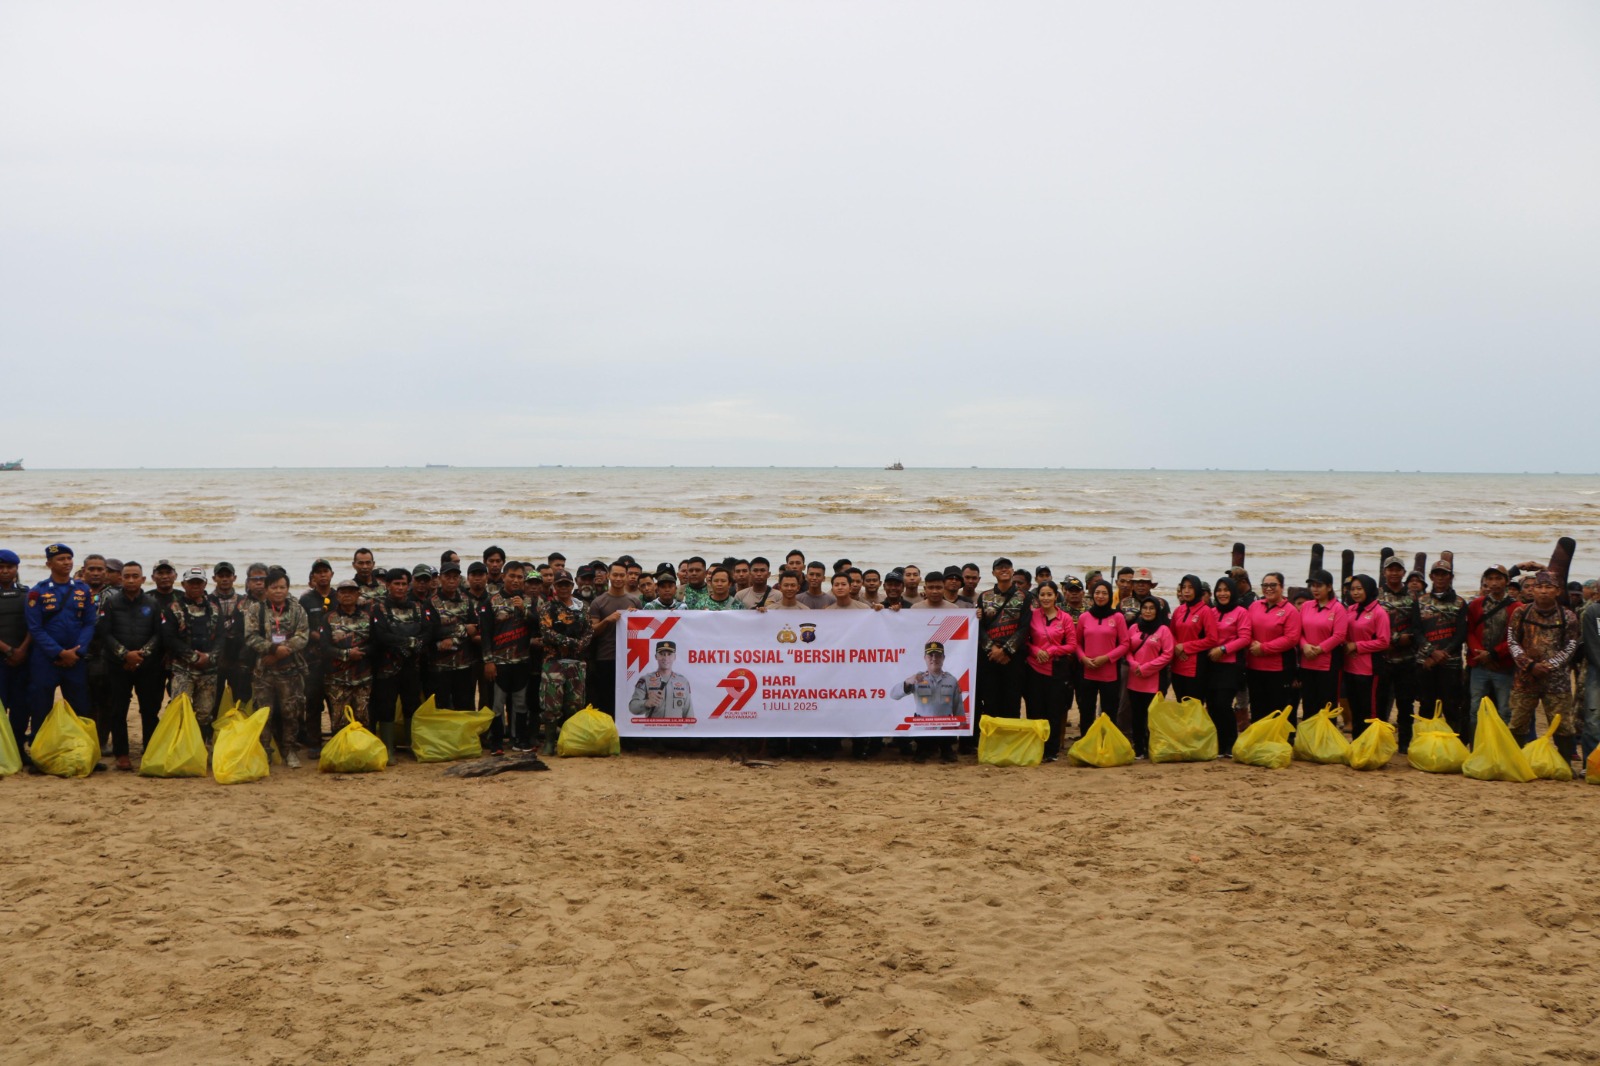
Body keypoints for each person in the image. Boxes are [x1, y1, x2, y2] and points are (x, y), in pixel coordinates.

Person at [24, 544, 97, 750]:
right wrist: (58, 652)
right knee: (41, 708)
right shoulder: (37, 592)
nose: (66, 562)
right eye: (60, 559)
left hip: (75, 659)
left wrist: (77, 652)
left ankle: (84, 752)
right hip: (45, 660)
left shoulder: (83, 590)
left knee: (80, 707)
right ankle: (39, 752)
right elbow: (35, 628)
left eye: (69, 558)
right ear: (49, 564)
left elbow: (89, 623)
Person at [97, 561, 167, 770]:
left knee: (149, 710)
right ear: (121, 578)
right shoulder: (110, 603)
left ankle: (150, 750)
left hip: (147, 666)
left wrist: (141, 655)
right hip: (118, 665)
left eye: (135, 576)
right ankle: (122, 754)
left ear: (143, 579)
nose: (130, 580)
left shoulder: (152, 603)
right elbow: (104, 633)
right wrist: (125, 655)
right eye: (126, 576)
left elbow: (159, 634)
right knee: (118, 710)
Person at [1507, 571, 1581, 765]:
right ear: (1533, 589)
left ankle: (1564, 765)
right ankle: (1515, 763)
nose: (1543, 591)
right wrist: (1529, 665)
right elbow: (1512, 641)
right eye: (1539, 587)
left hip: (1556, 681)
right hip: (1525, 679)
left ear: (1557, 591)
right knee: (1517, 723)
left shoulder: (1568, 617)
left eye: (1549, 587)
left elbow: (1571, 646)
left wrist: (1549, 666)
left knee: (1562, 725)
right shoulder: (1520, 613)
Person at [243, 567, 311, 768]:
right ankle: (265, 750)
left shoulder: (297, 609)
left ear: (288, 588)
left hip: (290, 669)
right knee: (264, 712)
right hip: (264, 670)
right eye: (274, 587)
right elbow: (250, 636)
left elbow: (303, 635)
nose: (279, 591)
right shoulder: (256, 609)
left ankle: (290, 750)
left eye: (282, 587)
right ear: (266, 589)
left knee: (291, 712)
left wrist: (285, 650)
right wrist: (271, 649)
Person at [371, 567, 432, 750]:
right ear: (388, 585)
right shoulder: (378, 608)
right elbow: (381, 634)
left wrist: (415, 644)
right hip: (387, 668)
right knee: (386, 707)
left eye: (403, 584)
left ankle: (412, 745)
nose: (400, 587)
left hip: (411, 666)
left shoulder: (418, 607)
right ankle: (388, 749)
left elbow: (428, 631)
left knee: (411, 705)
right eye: (396, 584)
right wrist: (407, 642)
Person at [166, 567, 223, 741]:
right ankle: (178, 746)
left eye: (199, 582)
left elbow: (221, 637)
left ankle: (200, 748)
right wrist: (193, 657)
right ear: (183, 584)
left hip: (208, 670)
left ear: (205, 583)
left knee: (205, 713)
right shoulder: (174, 608)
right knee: (179, 710)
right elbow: (169, 638)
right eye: (191, 582)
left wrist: (209, 657)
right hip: (183, 670)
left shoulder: (214, 608)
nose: (195, 586)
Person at [1415, 560, 1470, 739]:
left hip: (1451, 662)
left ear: (1451, 577)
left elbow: (1462, 633)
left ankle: (1455, 743)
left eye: (1444, 574)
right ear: (1431, 577)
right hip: (1426, 663)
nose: (1440, 577)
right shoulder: (1421, 601)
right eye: (1437, 574)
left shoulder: (1460, 603)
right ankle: (1425, 742)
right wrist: (1431, 652)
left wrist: (1444, 653)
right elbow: (1416, 630)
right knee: (1426, 705)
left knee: (1452, 705)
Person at [537, 572, 591, 751]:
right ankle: (550, 742)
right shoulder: (548, 608)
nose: (564, 588)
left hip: (577, 662)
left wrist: (583, 643)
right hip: (554, 662)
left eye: (567, 584)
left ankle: (570, 740)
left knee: (575, 704)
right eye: (560, 585)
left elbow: (589, 630)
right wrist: (572, 642)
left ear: (572, 586)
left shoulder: (582, 607)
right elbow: (547, 632)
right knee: (551, 704)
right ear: (554, 587)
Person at [1374, 556, 1422, 750]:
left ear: (1403, 573)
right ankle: (1380, 741)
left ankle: (1403, 745)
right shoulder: (1376, 596)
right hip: (1383, 658)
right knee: (1380, 703)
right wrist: (1393, 639)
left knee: (1405, 704)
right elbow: (1371, 624)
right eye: (1390, 569)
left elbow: (1417, 626)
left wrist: (1407, 639)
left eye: (1398, 570)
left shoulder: (1413, 597)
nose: (1394, 573)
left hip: (1406, 660)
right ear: (1384, 572)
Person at [1025, 580, 1076, 762]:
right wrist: (1035, 650)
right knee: (1035, 710)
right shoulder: (1031, 616)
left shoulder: (1066, 618)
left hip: (1057, 670)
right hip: (1034, 668)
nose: (1045, 598)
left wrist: (1052, 651)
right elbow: (1025, 640)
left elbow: (1072, 645)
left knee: (1054, 711)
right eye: (1042, 594)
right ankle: (1035, 746)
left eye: (1049, 594)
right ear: (1037, 597)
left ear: (1056, 596)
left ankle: (1051, 751)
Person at [976, 558, 1029, 728]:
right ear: (993, 573)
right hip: (990, 657)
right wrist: (992, 649)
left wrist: (1006, 651)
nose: (1004, 569)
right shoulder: (984, 597)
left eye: (1007, 567)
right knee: (990, 701)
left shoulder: (1025, 597)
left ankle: (1011, 745)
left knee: (1012, 702)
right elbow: (979, 626)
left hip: (1014, 658)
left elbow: (1025, 627)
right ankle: (992, 744)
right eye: (999, 567)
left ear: (1013, 571)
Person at [889, 640, 961, 763]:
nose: (934, 658)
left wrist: (962, 727)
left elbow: (958, 707)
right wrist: (907, 682)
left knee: (949, 757)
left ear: (943, 658)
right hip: (923, 730)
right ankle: (924, 750)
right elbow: (893, 695)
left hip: (945, 730)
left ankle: (946, 750)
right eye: (930, 655)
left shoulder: (951, 680)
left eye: (938, 655)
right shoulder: (917, 678)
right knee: (921, 756)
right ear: (925, 658)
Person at [1204, 576, 1252, 755]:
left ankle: (1230, 743)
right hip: (1211, 665)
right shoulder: (1211, 611)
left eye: (1226, 590)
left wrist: (1223, 649)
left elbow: (1245, 638)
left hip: (1231, 665)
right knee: (1212, 705)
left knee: (1223, 704)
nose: (1222, 594)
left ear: (1233, 592)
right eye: (1219, 590)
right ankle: (1218, 742)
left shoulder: (1241, 612)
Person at [1466, 565, 1517, 730]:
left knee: (1504, 710)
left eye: (1498, 578)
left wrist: (1493, 654)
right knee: (1475, 709)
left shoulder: (1517, 608)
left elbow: (1515, 637)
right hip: (1479, 665)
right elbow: (1469, 632)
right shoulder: (1476, 604)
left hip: (1503, 667)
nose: (1494, 583)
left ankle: (1501, 747)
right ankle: (1475, 748)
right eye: (1490, 579)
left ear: (1507, 581)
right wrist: (1480, 654)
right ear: (1485, 581)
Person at [589, 561, 643, 716]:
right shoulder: (598, 602)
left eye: (622, 575)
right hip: (606, 657)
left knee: (629, 696)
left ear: (626, 577)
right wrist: (607, 620)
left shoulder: (635, 602)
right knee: (607, 698)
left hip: (630, 659)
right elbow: (592, 632)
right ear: (608, 576)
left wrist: (635, 617)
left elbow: (642, 631)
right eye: (615, 575)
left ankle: (627, 736)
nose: (618, 578)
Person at [1245, 572, 1301, 722]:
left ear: (1282, 587)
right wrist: (1251, 644)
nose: (1268, 589)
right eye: (1265, 585)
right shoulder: (1255, 606)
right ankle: (1259, 739)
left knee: (1279, 707)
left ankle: (1281, 740)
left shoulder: (1290, 610)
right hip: (1254, 666)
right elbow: (1245, 630)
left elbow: (1291, 639)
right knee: (1257, 706)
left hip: (1279, 669)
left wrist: (1264, 648)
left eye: (1273, 585)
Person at [1075, 580, 1129, 731]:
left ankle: (1107, 744)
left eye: (1104, 593)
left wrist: (1106, 658)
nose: (1100, 596)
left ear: (1110, 595)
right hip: (1087, 672)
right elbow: (1077, 643)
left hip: (1109, 674)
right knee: (1086, 712)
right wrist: (1083, 658)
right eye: (1097, 593)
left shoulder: (1118, 617)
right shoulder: (1084, 617)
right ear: (1092, 595)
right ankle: (1086, 742)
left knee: (1109, 713)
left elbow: (1125, 644)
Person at [1125, 598, 1174, 758]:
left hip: (1154, 679)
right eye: (1144, 608)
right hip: (1135, 678)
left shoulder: (1163, 630)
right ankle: (1139, 748)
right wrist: (1134, 665)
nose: (1147, 611)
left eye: (1151, 608)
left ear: (1157, 611)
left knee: (1152, 716)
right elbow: (1127, 650)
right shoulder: (1133, 628)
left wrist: (1146, 668)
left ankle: (1152, 747)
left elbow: (1168, 654)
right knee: (1137, 715)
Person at [1341, 574, 1391, 732]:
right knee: (1355, 708)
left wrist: (1357, 646)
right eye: (1352, 589)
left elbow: (1384, 641)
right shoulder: (1350, 609)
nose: (1355, 592)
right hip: (1350, 666)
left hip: (1369, 669)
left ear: (1368, 589)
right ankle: (1357, 744)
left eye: (1359, 589)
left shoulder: (1379, 612)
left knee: (1369, 710)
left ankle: (1370, 745)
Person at [1297, 569, 1347, 724]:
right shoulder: (1306, 606)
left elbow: (1339, 635)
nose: (1315, 589)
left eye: (1319, 585)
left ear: (1329, 587)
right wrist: (1305, 646)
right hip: (1307, 662)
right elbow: (1298, 631)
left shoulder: (1338, 608)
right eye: (1313, 585)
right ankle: (1309, 740)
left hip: (1328, 664)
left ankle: (1326, 739)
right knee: (1308, 704)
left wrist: (1319, 649)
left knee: (1327, 705)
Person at [323, 579, 375, 728]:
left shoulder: (368, 617)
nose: (347, 595)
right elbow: (324, 647)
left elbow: (376, 643)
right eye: (343, 592)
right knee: (339, 721)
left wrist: (361, 653)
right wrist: (346, 654)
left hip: (363, 677)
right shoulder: (328, 618)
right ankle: (340, 751)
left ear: (358, 594)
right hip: (337, 680)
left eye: (351, 592)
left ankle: (362, 750)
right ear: (337, 596)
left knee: (362, 719)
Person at [429, 561, 479, 712]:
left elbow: (475, 628)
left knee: (463, 705)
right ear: (440, 578)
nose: (451, 580)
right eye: (447, 576)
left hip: (464, 664)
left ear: (459, 579)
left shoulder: (466, 601)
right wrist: (463, 628)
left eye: (455, 577)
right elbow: (432, 631)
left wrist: (452, 638)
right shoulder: (431, 603)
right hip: (440, 665)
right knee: (441, 706)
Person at [298, 559, 333, 751]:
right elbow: (301, 626)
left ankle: (337, 739)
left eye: (325, 571)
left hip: (335, 658)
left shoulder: (339, 596)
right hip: (313, 657)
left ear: (331, 574)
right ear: (313, 577)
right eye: (318, 572)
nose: (322, 575)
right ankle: (314, 743)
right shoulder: (306, 599)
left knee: (335, 700)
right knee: (312, 701)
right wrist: (317, 636)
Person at [0, 549, 32, 750]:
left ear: (16, 569)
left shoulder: (26, 593)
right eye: (0, 567)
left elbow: (34, 626)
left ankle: (19, 748)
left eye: (9, 567)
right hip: (1, 661)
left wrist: (21, 651)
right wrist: (9, 651)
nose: (4, 571)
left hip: (23, 660)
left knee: (22, 708)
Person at [1169, 574, 1218, 704]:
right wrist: (1176, 647)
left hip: (1196, 666)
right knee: (1180, 702)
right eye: (1183, 587)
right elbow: (1171, 633)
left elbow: (1212, 639)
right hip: (1177, 663)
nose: (1186, 590)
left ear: (1197, 589)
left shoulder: (1205, 611)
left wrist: (1185, 647)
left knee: (1194, 706)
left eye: (1190, 587)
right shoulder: (1179, 610)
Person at [628, 640, 693, 718]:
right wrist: (646, 703)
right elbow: (632, 707)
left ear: (674, 657)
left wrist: (689, 729)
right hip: (652, 729)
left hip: (676, 729)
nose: (665, 658)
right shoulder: (645, 680)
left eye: (669, 654)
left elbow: (689, 713)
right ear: (656, 656)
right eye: (662, 654)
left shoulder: (683, 681)